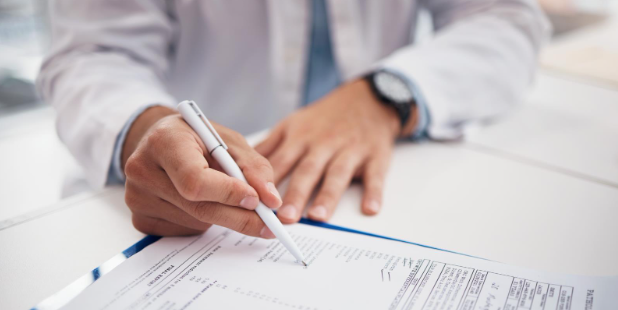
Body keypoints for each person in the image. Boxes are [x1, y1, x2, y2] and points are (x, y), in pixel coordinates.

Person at [38, 0, 549, 238]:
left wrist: (384, 95)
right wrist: (147, 129)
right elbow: (91, 55)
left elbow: (507, 20)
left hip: (383, 176)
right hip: (180, 204)